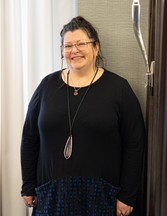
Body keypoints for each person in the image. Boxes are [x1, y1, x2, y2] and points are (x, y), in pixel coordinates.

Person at [20, 16, 145, 216]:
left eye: (81, 44)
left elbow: (135, 144)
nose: (74, 50)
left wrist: (127, 195)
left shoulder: (119, 88)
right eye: (68, 46)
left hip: (102, 196)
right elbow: (29, 138)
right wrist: (28, 186)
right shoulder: (47, 86)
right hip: (52, 195)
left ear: (96, 48)